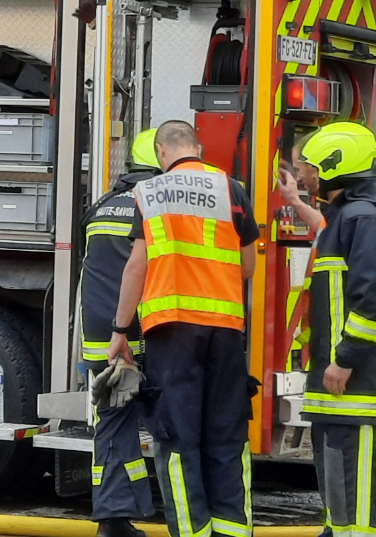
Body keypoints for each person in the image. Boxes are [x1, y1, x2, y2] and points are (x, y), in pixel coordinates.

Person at [108, 120, 262, 537]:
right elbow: (247, 267)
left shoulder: (150, 193)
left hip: (171, 331)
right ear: (198, 147)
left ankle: (192, 532)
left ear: (161, 152)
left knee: (177, 439)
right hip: (226, 331)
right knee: (227, 437)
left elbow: (137, 266)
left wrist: (121, 330)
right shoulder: (232, 188)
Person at [292, 122, 376, 537]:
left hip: (356, 381)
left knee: (355, 494)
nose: (303, 176)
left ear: (332, 168)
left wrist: (346, 359)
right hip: (337, 382)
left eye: (308, 167)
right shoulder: (344, 217)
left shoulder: (362, 217)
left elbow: (371, 294)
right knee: (338, 489)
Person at [81, 129, 161, 537]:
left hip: (102, 343)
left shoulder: (102, 207)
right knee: (172, 426)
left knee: (111, 427)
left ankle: (112, 521)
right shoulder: (158, 209)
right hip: (144, 337)